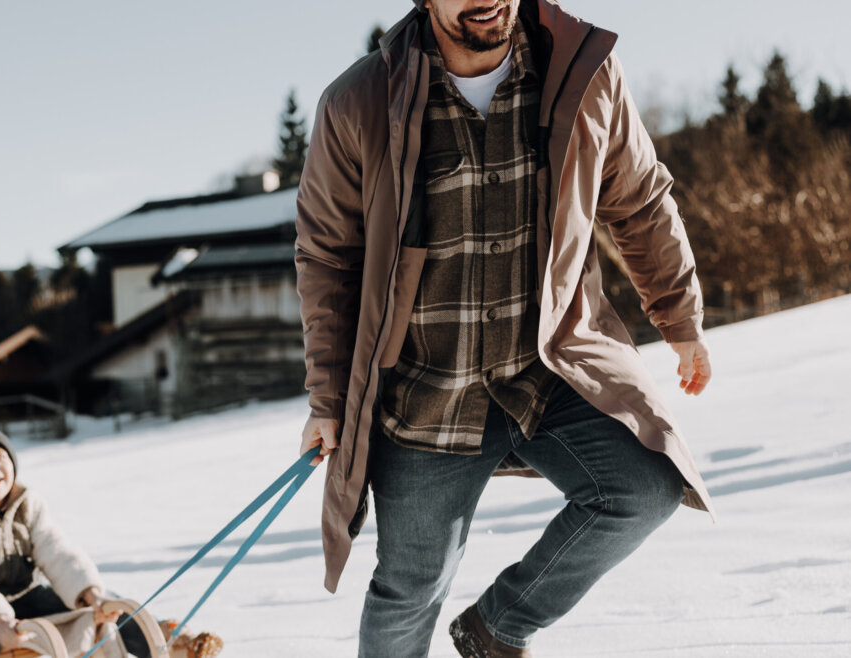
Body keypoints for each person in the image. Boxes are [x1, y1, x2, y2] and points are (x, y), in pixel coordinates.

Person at [294, 1, 715, 656]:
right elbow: (328, 260)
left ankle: (498, 624)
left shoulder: (581, 73)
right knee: (411, 583)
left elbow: (638, 197)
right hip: (425, 393)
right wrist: (328, 400)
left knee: (644, 488)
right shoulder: (360, 103)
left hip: (549, 372)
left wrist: (679, 316)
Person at [0, 426, 223, 658]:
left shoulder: (27, 504)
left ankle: (168, 643)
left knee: (108, 605)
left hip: (26, 595)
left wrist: (90, 595)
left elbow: (55, 550)